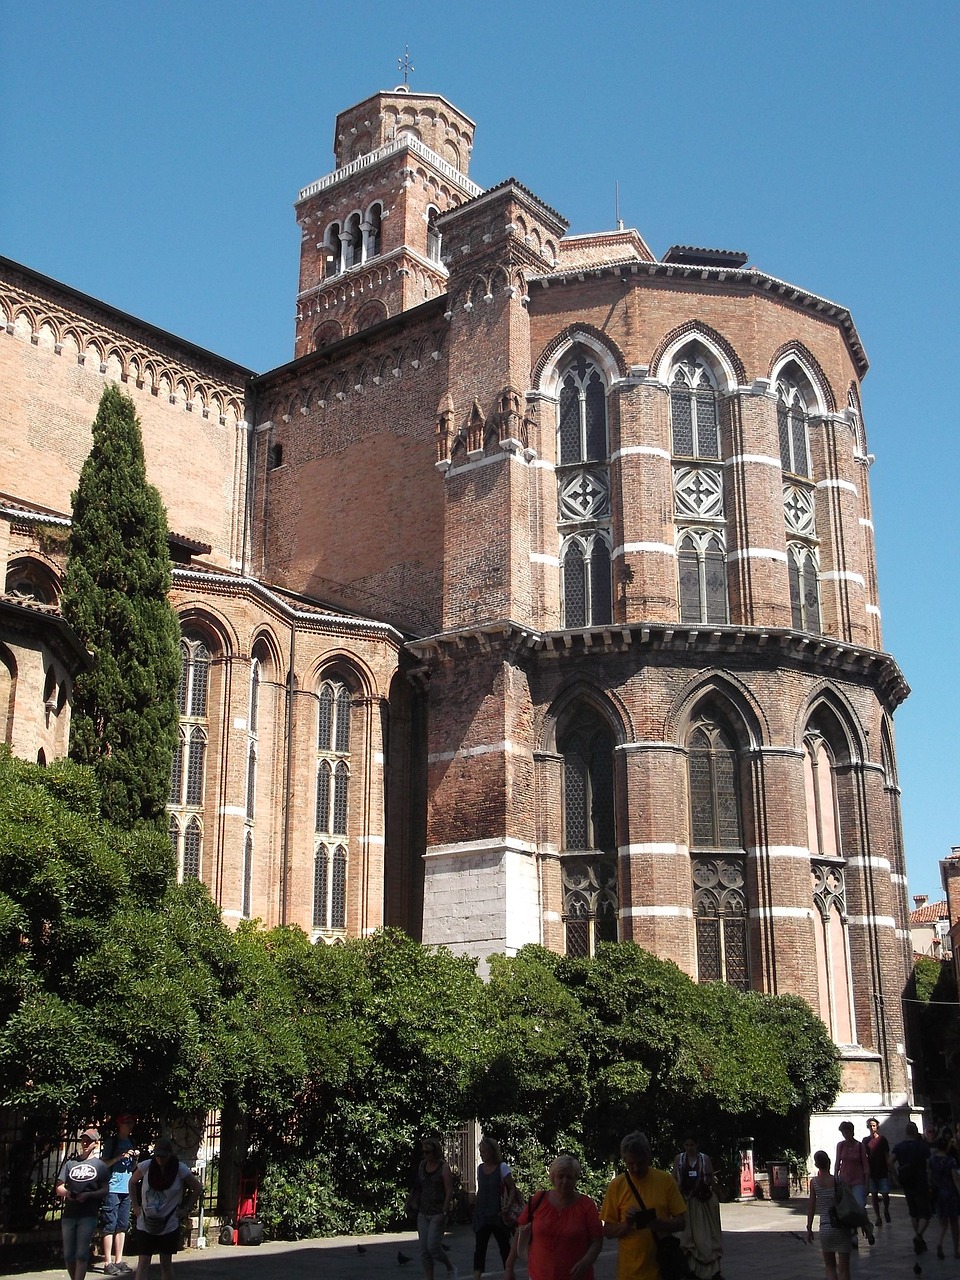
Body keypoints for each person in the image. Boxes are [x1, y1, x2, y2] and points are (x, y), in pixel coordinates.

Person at [600, 1131, 686, 1280]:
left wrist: (660, 1224)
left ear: (649, 1158)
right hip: (629, 1273)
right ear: (624, 1159)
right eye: (630, 1164)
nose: (635, 1168)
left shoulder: (665, 1180)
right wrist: (626, 1225)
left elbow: (682, 1222)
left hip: (662, 1269)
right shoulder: (617, 1185)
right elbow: (607, 1231)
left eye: (640, 1163)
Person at [504, 1154, 602, 1280]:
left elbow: (597, 1241)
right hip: (539, 1275)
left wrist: (586, 1262)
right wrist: (509, 1266)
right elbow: (520, 1230)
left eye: (569, 1177)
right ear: (553, 1177)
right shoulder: (538, 1200)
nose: (565, 1181)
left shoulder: (586, 1205)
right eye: (561, 1176)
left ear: (576, 1178)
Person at [127, 1138, 202, 1280]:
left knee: (165, 1263)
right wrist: (135, 1206)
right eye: (157, 1155)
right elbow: (132, 1182)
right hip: (145, 1222)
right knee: (143, 1262)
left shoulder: (180, 1169)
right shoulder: (147, 1166)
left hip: (169, 1223)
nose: (160, 1159)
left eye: (163, 1156)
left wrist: (186, 1209)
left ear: (170, 1155)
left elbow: (197, 1188)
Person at [56, 1128, 110, 1280]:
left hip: (88, 1213)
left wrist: (89, 1195)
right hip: (69, 1214)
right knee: (68, 1255)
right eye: (84, 1140)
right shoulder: (70, 1163)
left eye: (89, 1140)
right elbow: (59, 1186)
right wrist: (67, 1194)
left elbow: (105, 1190)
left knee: (81, 1254)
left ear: (96, 1143)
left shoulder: (100, 1166)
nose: (85, 1143)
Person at [672, 1135, 723, 1279]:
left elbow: (710, 1178)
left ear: (697, 1145)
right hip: (685, 1202)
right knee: (686, 1237)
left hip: (702, 1203)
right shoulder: (679, 1159)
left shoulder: (704, 1159)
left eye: (692, 1145)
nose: (689, 1148)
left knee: (704, 1235)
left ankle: (710, 1270)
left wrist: (698, 1187)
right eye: (687, 1145)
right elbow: (674, 1178)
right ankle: (689, 1269)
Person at [411, 1137, 457, 1280]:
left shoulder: (443, 1167)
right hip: (423, 1212)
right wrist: (411, 1201)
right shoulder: (422, 1166)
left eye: (428, 1152)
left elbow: (449, 1190)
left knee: (433, 1247)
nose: (425, 1155)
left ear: (435, 1152)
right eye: (423, 1152)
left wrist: (444, 1211)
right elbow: (418, 1186)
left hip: (437, 1212)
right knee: (424, 1250)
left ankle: (450, 1267)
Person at [472, 1135, 518, 1280]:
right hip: (482, 1215)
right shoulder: (480, 1169)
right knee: (480, 1249)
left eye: (484, 1151)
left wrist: (508, 1205)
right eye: (480, 1151)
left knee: (504, 1248)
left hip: (499, 1215)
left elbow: (512, 1188)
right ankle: (476, 1276)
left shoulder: (502, 1168)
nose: (481, 1154)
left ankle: (509, 1275)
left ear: (492, 1152)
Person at [806, 1150, 851, 1280]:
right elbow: (849, 1201)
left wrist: (809, 1228)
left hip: (825, 1227)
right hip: (842, 1226)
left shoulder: (814, 1183)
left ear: (816, 1164)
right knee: (844, 1269)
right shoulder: (838, 1180)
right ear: (829, 1162)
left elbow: (811, 1206)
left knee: (830, 1266)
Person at [102, 1113, 138, 1274]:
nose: (131, 1126)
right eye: (128, 1123)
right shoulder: (112, 1142)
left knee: (122, 1225)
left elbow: (131, 1168)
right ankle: (107, 1262)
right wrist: (119, 1157)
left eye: (132, 1123)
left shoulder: (131, 1142)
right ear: (120, 1124)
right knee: (110, 1224)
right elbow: (104, 1163)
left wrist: (135, 1159)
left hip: (126, 1188)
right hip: (113, 1188)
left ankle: (119, 1259)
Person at [892, 1120, 932, 1254]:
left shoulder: (899, 1147)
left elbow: (889, 1162)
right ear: (916, 1132)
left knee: (914, 1212)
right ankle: (919, 1235)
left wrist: (895, 1178)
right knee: (925, 1213)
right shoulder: (923, 1146)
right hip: (921, 1181)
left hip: (906, 1182)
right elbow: (928, 1165)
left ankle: (919, 1239)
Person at [834, 1121, 873, 1247]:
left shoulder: (860, 1146)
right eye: (843, 1132)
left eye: (847, 1131)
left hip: (858, 1181)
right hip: (844, 1181)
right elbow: (837, 1163)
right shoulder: (840, 1146)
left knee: (860, 1207)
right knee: (848, 1210)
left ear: (852, 1131)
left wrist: (867, 1183)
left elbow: (866, 1166)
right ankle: (853, 1235)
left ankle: (867, 1227)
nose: (845, 1134)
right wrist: (835, 1179)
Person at [928, 1133, 960, 1261]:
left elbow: (930, 1177)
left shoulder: (932, 1160)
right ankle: (956, 1250)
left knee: (943, 1223)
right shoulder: (950, 1160)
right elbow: (955, 1179)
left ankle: (939, 1242)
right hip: (951, 1193)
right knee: (954, 1223)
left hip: (939, 1193)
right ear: (947, 1147)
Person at [861, 1117, 891, 1227]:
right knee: (873, 1195)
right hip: (871, 1171)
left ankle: (886, 1210)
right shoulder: (865, 1141)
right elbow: (863, 1156)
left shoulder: (882, 1140)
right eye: (870, 1125)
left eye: (874, 1125)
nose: (872, 1127)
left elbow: (886, 1155)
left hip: (882, 1169)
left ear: (877, 1126)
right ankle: (878, 1217)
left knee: (885, 1194)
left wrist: (889, 1168)